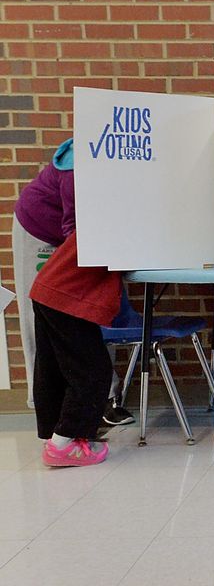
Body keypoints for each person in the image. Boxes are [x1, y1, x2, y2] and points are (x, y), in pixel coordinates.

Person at [14, 139, 135, 427]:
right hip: (40, 228)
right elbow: (73, 229)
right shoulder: (76, 166)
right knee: (48, 326)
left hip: (87, 238)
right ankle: (55, 417)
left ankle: (99, 405)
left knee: (90, 325)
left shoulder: (125, 161)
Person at [29, 230, 121, 467]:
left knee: (53, 370)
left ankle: (54, 436)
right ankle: (63, 444)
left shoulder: (100, 211)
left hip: (49, 288)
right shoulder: (122, 216)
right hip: (67, 296)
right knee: (92, 370)